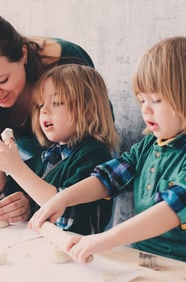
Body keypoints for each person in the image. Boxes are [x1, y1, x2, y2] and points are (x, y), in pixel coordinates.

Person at [28, 36, 186, 262]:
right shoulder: (148, 145)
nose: (146, 111)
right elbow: (107, 179)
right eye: (141, 101)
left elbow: (172, 209)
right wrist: (62, 199)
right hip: (145, 257)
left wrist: (109, 238)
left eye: (156, 100)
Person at [0, 11, 98, 221]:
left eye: (2, 80)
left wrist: (32, 199)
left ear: (23, 54)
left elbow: (91, 144)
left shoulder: (68, 62)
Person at [0, 64, 118, 235]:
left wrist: (16, 168)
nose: (45, 110)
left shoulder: (94, 154)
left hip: (78, 251)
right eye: (40, 105)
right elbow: (0, 198)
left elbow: (62, 213)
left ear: (88, 110)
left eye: (56, 103)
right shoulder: (49, 156)